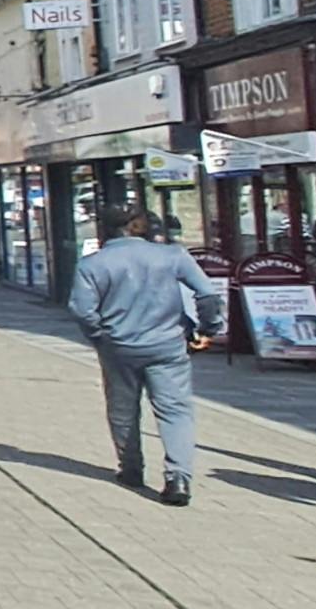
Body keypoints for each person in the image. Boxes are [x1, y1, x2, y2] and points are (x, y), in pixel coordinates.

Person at [67, 205, 225, 507]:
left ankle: (131, 470)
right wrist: (209, 328)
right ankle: (178, 477)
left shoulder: (92, 265)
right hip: (168, 344)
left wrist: (100, 336)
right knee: (175, 411)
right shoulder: (172, 255)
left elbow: (82, 310)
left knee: (123, 409)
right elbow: (207, 295)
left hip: (119, 347)